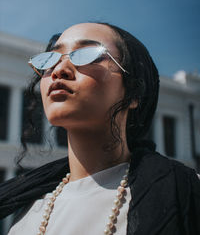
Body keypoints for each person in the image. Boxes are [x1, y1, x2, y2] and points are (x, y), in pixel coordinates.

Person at [0, 22, 199, 235]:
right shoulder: (27, 216)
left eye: (87, 55)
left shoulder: (186, 194)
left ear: (133, 93)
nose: (59, 70)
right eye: (51, 59)